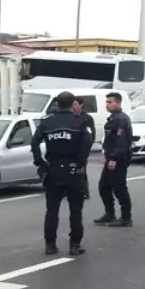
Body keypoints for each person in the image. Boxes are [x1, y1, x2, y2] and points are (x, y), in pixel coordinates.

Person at [32, 90, 94, 256]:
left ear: (57, 103)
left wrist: (40, 163)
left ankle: (50, 245)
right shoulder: (79, 122)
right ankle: (74, 245)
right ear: (72, 103)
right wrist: (81, 162)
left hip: (53, 169)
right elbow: (88, 143)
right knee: (76, 210)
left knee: (52, 210)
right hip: (74, 169)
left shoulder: (46, 123)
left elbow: (34, 143)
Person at [94, 91, 133, 228]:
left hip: (119, 159)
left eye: (110, 102)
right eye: (107, 102)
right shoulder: (114, 118)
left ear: (118, 102)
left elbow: (121, 141)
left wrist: (114, 158)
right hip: (111, 157)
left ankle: (126, 217)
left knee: (119, 188)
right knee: (104, 186)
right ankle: (110, 213)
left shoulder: (121, 119)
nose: (107, 104)